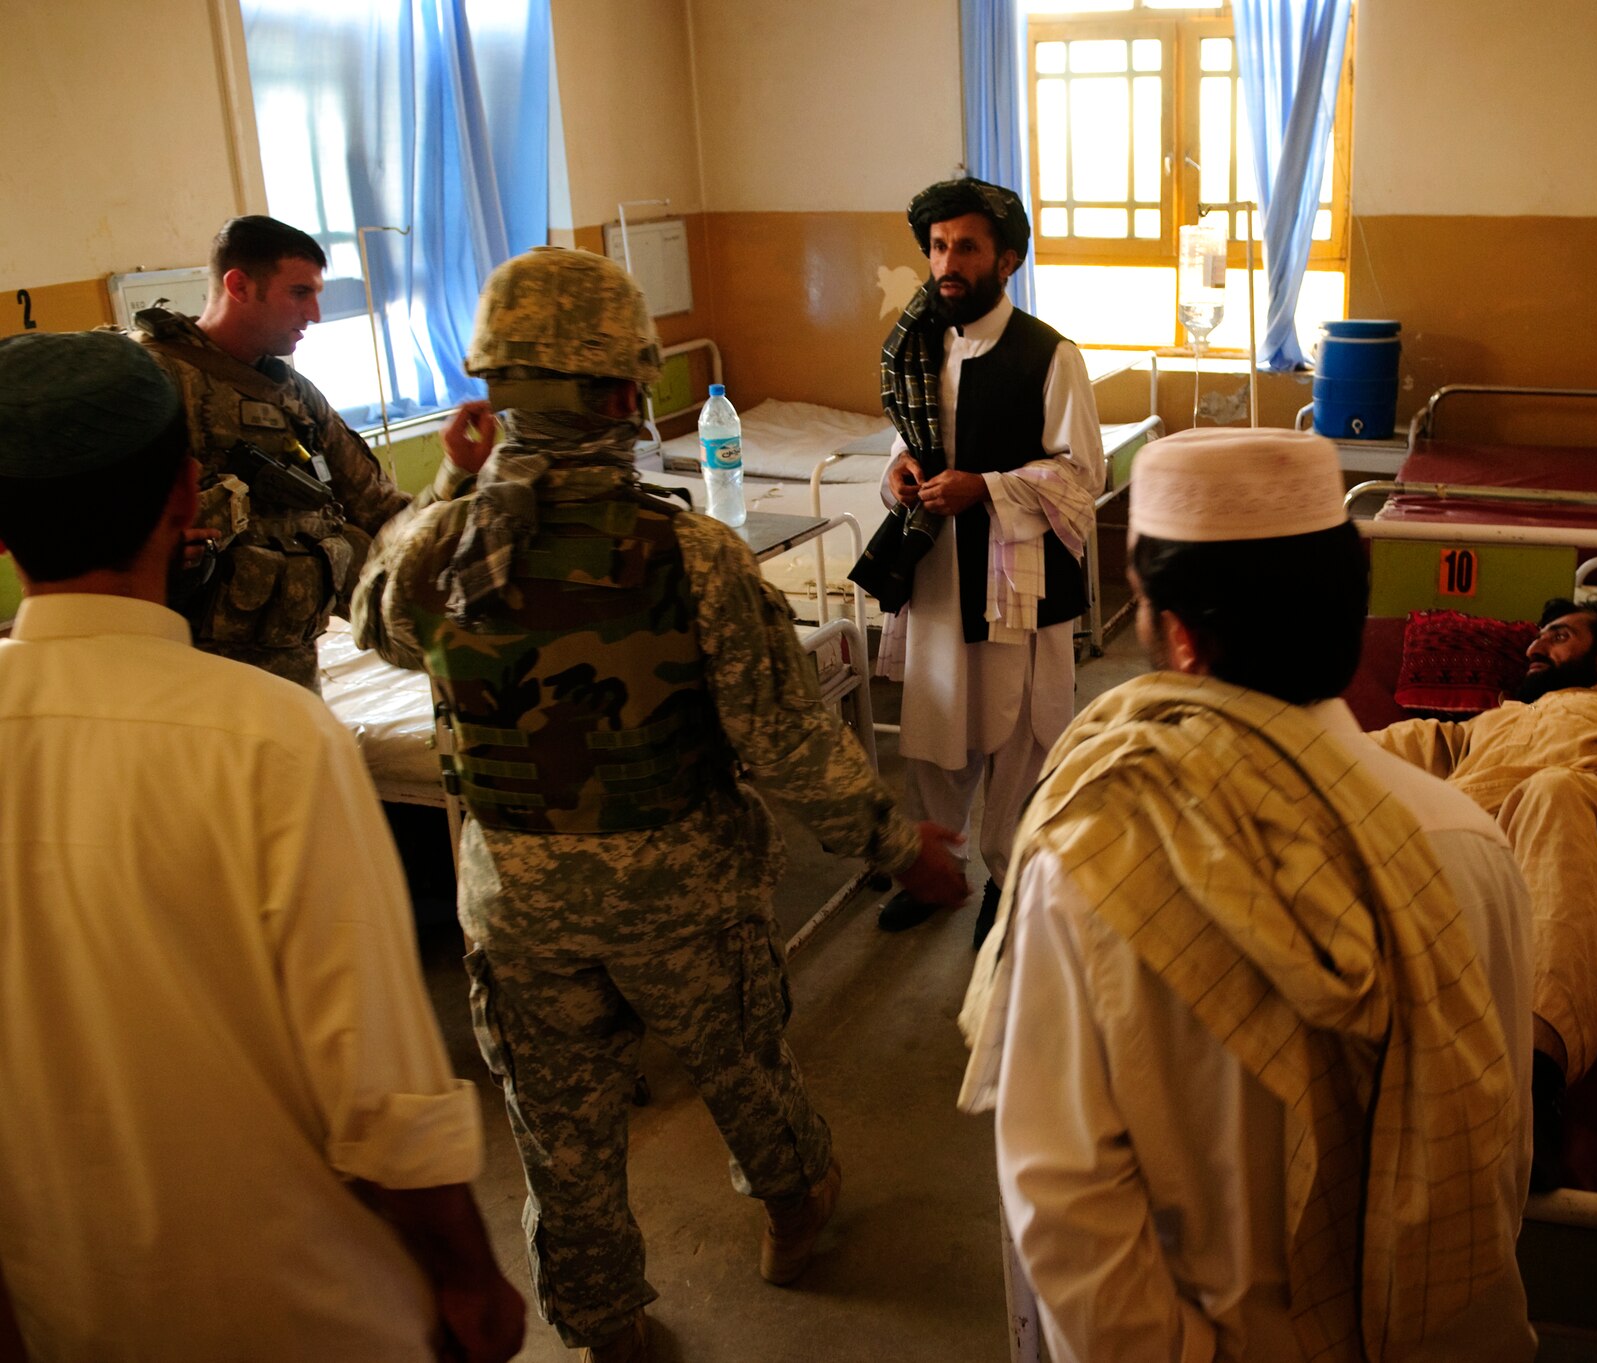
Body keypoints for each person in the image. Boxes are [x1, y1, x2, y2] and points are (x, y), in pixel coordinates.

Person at [351, 246, 968, 1362]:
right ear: (624, 396)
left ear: (497, 391)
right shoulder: (690, 554)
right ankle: (792, 1206)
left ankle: (606, 1325)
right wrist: (895, 847)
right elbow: (784, 740)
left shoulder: (444, 547)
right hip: (681, 896)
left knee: (557, 1130)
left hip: (518, 905)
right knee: (742, 1065)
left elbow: (378, 626)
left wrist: (453, 486)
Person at [960, 429, 1537, 1363]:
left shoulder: (1094, 855)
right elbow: (1494, 1152)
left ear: (1181, 637)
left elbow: (1065, 1205)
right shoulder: (1470, 848)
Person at [0, 330, 523, 1362]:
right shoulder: (271, 739)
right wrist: (469, 1273)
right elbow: (380, 1087)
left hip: (65, 1300)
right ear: (185, 494)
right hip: (294, 1305)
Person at [1371, 595, 1597, 1188]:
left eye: (1560, 635)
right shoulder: (1486, 724)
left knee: (1555, 793)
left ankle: (1535, 1084)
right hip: (1483, 844)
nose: (1535, 646)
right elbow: (1373, 753)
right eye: (1539, 636)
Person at [869, 176, 1105, 945]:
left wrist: (989, 488)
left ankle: (1008, 881)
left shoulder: (1049, 355)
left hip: (1018, 580)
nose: (947, 262)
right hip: (939, 571)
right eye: (938, 247)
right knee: (937, 723)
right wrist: (900, 471)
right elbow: (907, 437)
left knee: (1020, 737)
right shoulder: (916, 344)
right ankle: (938, 864)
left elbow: (1082, 476)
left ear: (1006, 260)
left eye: (965, 247)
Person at [129, 213, 472, 689]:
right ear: (239, 286)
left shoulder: (296, 398)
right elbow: (97, 525)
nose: (314, 314)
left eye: (316, 295)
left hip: (291, 670)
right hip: (186, 675)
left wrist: (456, 476)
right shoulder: (151, 383)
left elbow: (380, 512)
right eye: (299, 293)